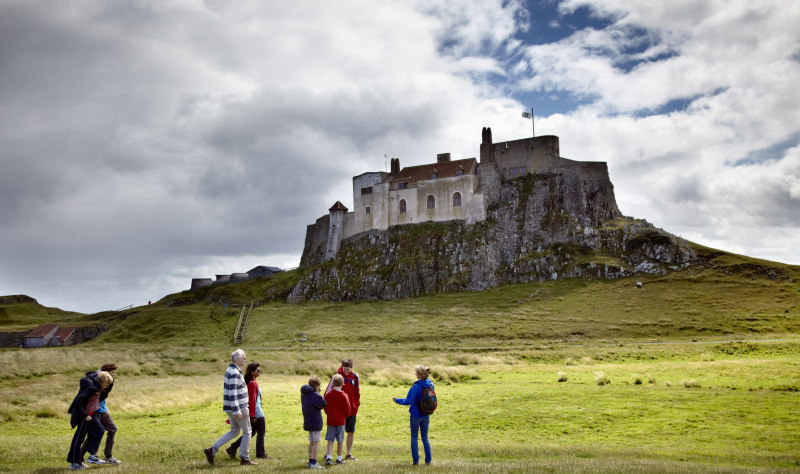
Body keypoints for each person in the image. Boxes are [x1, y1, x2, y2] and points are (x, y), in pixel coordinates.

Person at [203, 349, 257, 466]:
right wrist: (237, 410)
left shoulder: (231, 370)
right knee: (248, 432)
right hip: (238, 408)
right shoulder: (234, 373)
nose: (245, 360)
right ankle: (245, 458)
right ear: (237, 359)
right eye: (244, 358)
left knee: (234, 431)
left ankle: (212, 450)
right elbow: (232, 392)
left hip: (231, 408)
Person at [67, 370, 114, 471]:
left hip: (91, 416)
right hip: (83, 417)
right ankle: (74, 463)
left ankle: (92, 455)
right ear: (100, 382)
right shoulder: (89, 390)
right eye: (105, 384)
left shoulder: (97, 388)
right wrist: (85, 415)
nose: (106, 386)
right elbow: (78, 404)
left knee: (100, 430)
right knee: (78, 439)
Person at [226, 363, 272, 460]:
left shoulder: (251, 381)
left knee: (252, 432)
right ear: (252, 372)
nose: (259, 372)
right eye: (258, 370)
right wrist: (252, 416)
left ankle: (232, 448)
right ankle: (260, 453)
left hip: (254, 411)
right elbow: (251, 401)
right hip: (256, 412)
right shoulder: (252, 383)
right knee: (260, 432)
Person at [80, 363, 121, 465]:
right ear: (106, 373)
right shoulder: (95, 381)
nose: (114, 375)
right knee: (92, 435)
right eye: (113, 372)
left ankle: (108, 456)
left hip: (103, 411)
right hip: (95, 412)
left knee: (112, 429)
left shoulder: (109, 382)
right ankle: (79, 457)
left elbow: (104, 395)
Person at [393, 365, 434, 465]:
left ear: (419, 375)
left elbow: (408, 401)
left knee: (414, 437)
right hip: (426, 414)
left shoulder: (415, 387)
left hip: (416, 415)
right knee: (425, 437)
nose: (415, 374)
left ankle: (416, 461)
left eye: (416, 373)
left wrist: (396, 400)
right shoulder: (431, 385)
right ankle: (428, 461)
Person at [325, 358, 360, 461]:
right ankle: (328, 454)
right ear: (342, 367)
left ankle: (348, 454)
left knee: (350, 432)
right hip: (339, 412)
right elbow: (327, 393)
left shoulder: (355, 377)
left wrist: (356, 404)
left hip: (352, 410)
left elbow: (357, 392)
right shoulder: (336, 377)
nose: (346, 371)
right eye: (344, 369)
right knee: (335, 433)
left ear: (351, 368)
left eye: (348, 369)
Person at [322, 374, 350, 466]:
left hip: (330, 420)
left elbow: (325, 407)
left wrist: (329, 414)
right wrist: (344, 416)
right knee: (340, 440)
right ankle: (339, 458)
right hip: (340, 421)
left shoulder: (328, 395)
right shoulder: (344, 396)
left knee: (330, 440)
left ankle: (329, 457)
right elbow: (348, 410)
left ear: (333, 384)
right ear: (342, 384)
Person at [301, 376, 327, 469]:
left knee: (311, 441)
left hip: (308, 420)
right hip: (315, 420)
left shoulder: (304, 393)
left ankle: (310, 460)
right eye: (319, 386)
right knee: (316, 441)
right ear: (316, 385)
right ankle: (314, 462)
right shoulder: (316, 395)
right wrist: (319, 393)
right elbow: (323, 404)